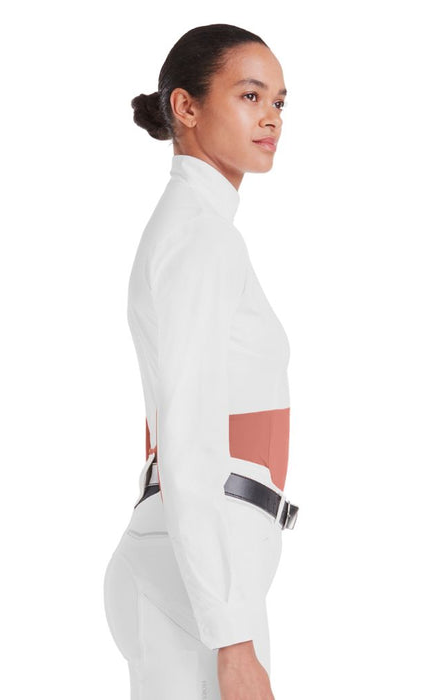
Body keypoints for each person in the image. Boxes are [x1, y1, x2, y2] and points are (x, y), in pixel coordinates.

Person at [103, 23, 300, 700]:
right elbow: (187, 437)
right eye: (249, 95)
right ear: (185, 107)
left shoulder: (195, 227)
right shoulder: (201, 237)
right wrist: (234, 641)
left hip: (191, 557)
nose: (271, 116)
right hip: (200, 572)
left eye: (279, 101)